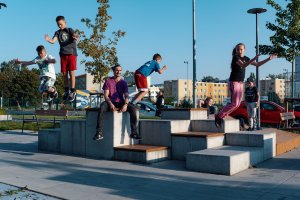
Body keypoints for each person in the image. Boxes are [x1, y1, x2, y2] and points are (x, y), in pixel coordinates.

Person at [215, 43, 277, 128]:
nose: (240, 51)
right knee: (235, 103)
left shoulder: (246, 58)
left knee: (237, 104)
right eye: (238, 50)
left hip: (241, 83)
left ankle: (221, 116)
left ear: (245, 50)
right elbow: (243, 65)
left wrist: (268, 59)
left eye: (241, 49)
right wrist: (254, 58)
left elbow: (257, 65)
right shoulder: (235, 57)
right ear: (236, 50)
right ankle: (219, 116)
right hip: (234, 82)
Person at [93, 64, 141, 141]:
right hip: (110, 102)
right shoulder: (108, 81)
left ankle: (134, 132)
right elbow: (106, 95)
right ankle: (99, 133)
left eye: (120, 70)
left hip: (121, 102)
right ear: (114, 71)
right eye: (117, 70)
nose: (118, 72)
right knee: (102, 107)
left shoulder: (123, 82)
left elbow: (126, 96)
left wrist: (125, 105)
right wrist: (111, 104)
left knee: (133, 108)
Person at [45, 15, 79, 102]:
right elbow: (54, 41)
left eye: (61, 24)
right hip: (63, 54)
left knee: (71, 72)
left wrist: (76, 37)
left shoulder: (69, 30)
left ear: (65, 22)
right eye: (58, 25)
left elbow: (75, 36)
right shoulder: (57, 32)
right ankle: (66, 90)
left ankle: (73, 90)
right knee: (64, 73)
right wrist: (49, 40)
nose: (60, 26)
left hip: (71, 53)